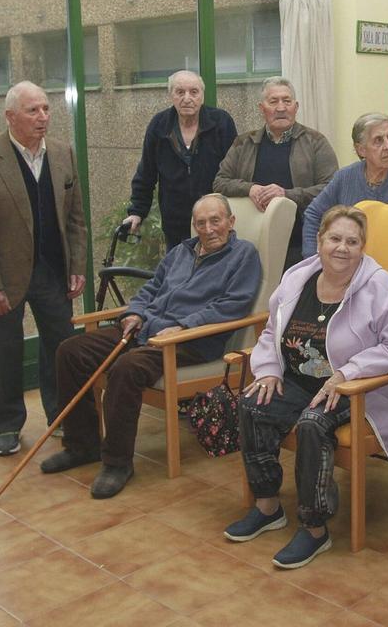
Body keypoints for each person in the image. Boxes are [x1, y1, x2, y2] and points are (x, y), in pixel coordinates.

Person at [224, 205, 388, 569]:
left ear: (363, 247)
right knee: (253, 404)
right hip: (299, 378)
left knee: (313, 423)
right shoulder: (298, 278)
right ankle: (267, 506)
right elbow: (271, 331)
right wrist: (267, 370)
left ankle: (315, 527)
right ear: (320, 241)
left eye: (352, 241)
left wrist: (349, 372)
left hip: (357, 387)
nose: (342, 248)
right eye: (335, 238)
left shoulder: (381, 288)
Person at [39, 194, 261, 498]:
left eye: (216, 221)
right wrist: (133, 313)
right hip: (147, 329)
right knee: (71, 351)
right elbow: (151, 289)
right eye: (201, 223)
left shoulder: (243, 256)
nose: (209, 229)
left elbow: (234, 305)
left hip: (191, 341)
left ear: (231, 222)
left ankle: (117, 463)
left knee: (126, 368)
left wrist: (185, 325)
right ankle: (82, 446)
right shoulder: (180, 252)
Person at [0, 80, 88, 457]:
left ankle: (61, 417)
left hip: (52, 273)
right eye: (33, 111)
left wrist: (76, 265)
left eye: (46, 109)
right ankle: (7, 425)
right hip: (3, 278)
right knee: (2, 354)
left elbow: (75, 218)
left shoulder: (63, 153)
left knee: (61, 349)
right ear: (10, 116)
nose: (43, 117)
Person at [214, 76, 339, 270]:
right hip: (251, 244)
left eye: (287, 101)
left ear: (296, 107)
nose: (281, 108)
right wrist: (250, 189)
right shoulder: (243, 143)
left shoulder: (316, 142)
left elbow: (332, 188)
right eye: (273, 101)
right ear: (262, 108)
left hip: (301, 243)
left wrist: (287, 194)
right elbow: (220, 182)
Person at [124, 70, 238, 251]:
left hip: (215, 224)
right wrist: (137, 212)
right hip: (175, 225)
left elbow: (235, 172)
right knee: (179, 275)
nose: (187, 98)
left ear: (202, 95)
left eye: (194, 92)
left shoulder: (221, 123)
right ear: (171, 96)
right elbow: (146, 173)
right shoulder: (159, 126)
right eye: (180, 92)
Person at [300, 112, 388, 256]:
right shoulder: (345, 177)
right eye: (378, 141)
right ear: (361, 150)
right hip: (352, 267)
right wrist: (312, 260)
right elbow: (313, 214)